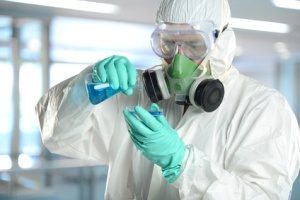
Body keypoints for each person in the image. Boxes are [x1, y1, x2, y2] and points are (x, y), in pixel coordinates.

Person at [35, 0, 300, 199]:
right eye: (168, 44)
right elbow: (57, 137)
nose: (177, 59)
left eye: (194, 45)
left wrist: (183, 164)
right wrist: (82, 91)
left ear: (221, 43)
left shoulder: (261, 108)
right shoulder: (134, 92)